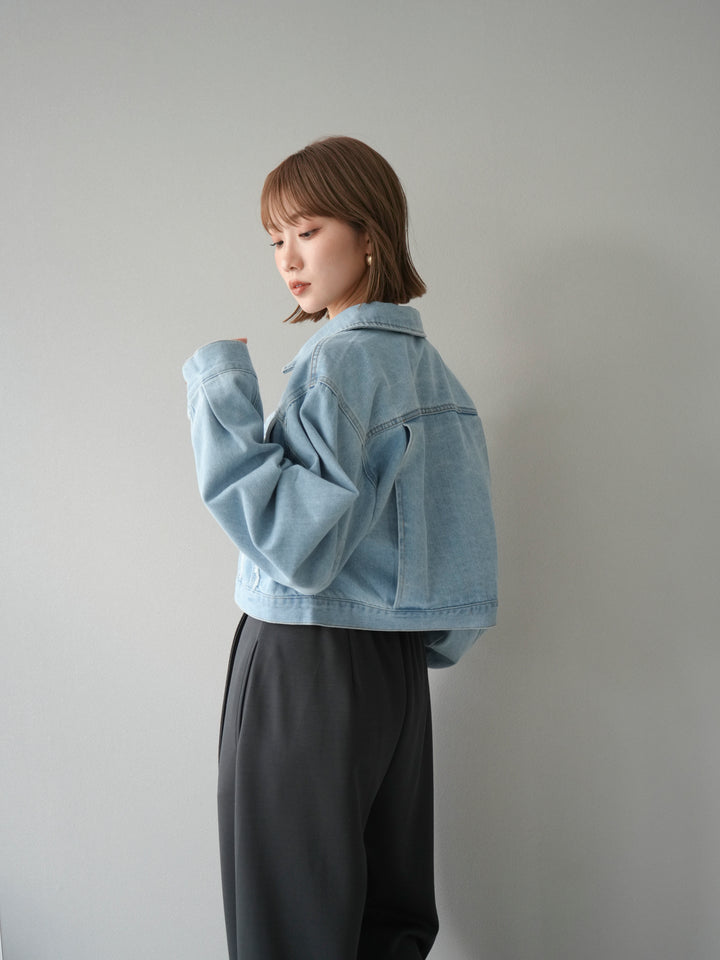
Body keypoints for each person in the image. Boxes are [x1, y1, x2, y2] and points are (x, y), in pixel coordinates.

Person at [182, 136, 497, 960]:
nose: (288, 258)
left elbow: (290, 543)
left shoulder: (339, 364)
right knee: (387, 922)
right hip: (393, 673)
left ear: (370, 232)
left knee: (290, 921)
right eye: (275, 239)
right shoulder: (431, 372)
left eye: (308, 230)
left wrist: (218, 393)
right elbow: (463, 568)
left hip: (303, 663)